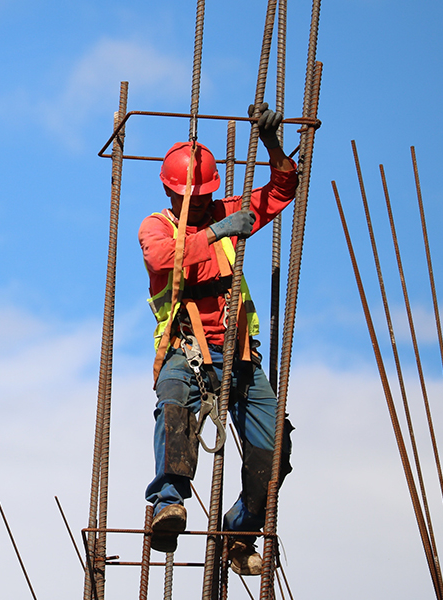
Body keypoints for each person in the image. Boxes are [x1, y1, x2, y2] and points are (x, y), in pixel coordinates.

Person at [137, 104, 295, 575]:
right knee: (173, 401)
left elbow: (282, 190)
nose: (203, 204)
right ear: (170, 190)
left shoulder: (226, 212)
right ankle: (169, 501)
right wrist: (216, 231)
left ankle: (238, 531)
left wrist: (272, 146)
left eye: (207, 196)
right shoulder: (156, 227)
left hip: (239, 358)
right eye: (194, 197)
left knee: (275, 453)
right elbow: (165, 259)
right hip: (186, 351)